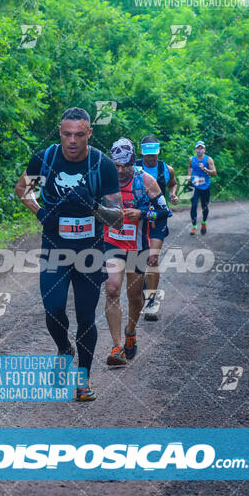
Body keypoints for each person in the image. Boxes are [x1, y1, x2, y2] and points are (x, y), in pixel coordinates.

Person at [15, 107, 123, 401]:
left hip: (90, 251)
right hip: (55, 247)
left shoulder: (102, 165)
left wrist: (94, 207)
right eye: (66, 134)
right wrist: (41, 214)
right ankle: (64, 348)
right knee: (53, 308)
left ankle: (83, 381)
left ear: (89, 133)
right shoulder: (46, 159)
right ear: (60, 132)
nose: (72, 140)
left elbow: (118, 218)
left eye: (79, 134)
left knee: (86, 317)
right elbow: (23, 189)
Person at [104, 138, 170, 367]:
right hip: (111, 243)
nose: (120, 171)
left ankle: (130, 331)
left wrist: (142, 215)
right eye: (116, 166)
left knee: (134, 297)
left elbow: (164, 213)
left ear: (133, 162)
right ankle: (116, 347)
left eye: (125, 166)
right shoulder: (104, 177)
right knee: (112, 289)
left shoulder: (146, 181)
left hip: (138, 245)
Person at [135, 135, 179, 321]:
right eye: (148, 155)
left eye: (154, 155)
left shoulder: (166, 169)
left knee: (152, 258)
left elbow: (173, 184)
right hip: (137, 219)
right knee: (138, 261)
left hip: (158, 218)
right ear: (141, 153)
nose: (151, 158)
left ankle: (151, 302)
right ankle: (139, 295)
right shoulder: (133, 169)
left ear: (158, 153)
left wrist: (173, 194)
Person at [187, 141, 216, 236]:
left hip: (205, 187)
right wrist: (188, 176)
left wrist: (205, 169)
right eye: (198, 148)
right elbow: (190, 168)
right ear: (195, 150)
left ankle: (203, 222)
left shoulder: (208, 160)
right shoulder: (191, 159)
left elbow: (214, 173)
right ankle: (194, 226)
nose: (199, 150)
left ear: (204, 150)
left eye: (201, 148)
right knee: (194, 205)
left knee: (204, 206)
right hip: (194, 186)